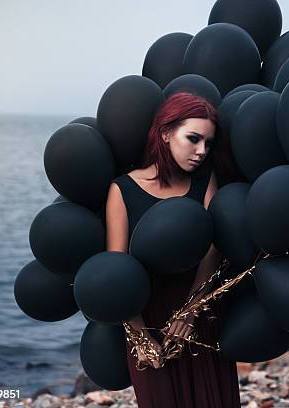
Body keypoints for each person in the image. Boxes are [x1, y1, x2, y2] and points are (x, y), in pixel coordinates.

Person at [105, 92, 240, 407]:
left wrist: (191, 313)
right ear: (165, 133)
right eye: (193, 139)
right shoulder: (122, 189)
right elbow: (115, 271)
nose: (201, 151)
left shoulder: (205, 181)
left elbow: (212, 251)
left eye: (208, 143)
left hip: (201, 314)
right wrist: (138, 336)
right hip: (146, 320)